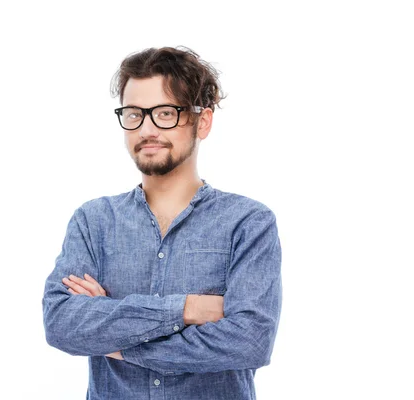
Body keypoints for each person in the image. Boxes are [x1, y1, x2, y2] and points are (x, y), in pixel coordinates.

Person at [42, 46, 282, 400]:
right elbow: (62, 324)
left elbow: (249, 341)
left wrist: (119, 344)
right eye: (134, 114)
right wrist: (188, 309)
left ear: (203, 121)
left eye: (165, 113)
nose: (147, 129)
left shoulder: (248, 223)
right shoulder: (93, 222)